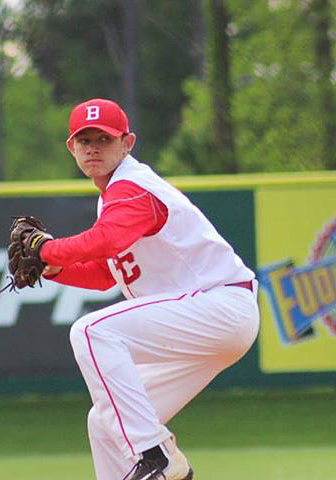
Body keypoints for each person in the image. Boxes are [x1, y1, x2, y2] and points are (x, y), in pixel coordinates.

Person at [39, 98, 260, 480]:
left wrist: (46, 248)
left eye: (104, 139)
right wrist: (54, 267)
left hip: (219, 305)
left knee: (92, 331)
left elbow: (105, 240)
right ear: (71, 148)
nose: (93, 147)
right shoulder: (111, 195)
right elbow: (110, 272)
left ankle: (155, 453)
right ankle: (152, 459)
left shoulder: (133, 186)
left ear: (128, 143)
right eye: (84, 139)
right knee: (104, 420)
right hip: (203, 324)